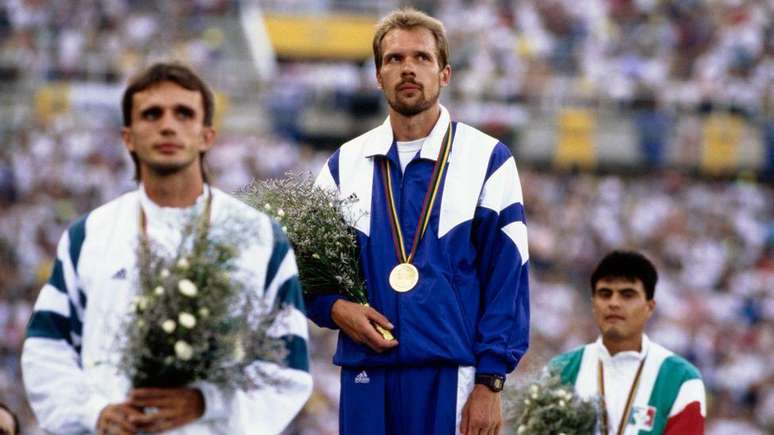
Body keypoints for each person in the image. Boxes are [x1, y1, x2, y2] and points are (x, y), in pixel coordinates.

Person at [21, 62, 312, 435]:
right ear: (128, 137)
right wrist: (94, 412)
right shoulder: (90, 234)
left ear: (207, 135)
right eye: (151, 114)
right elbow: (47, 348)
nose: (167, 125)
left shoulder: (259, 236)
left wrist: (207, 402)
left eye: (184, 113)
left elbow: (288, 367)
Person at [310, 7, 530, 435]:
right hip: (366, 372)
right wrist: (335, 309)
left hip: (452, 374)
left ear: (444, 73)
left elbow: (508, 279)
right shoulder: (344, 164)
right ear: (377, 75)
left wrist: (490, 382)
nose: (407, 69)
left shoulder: (488, 159)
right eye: (394, 59)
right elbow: (303, 272)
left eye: (421, 58)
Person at [549, 251, 706, 435]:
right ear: (593, 304)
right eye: (605, 294)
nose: (614, 303)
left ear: (650, 307)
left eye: (627, 294)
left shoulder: (682, 379)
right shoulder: (561, 369)